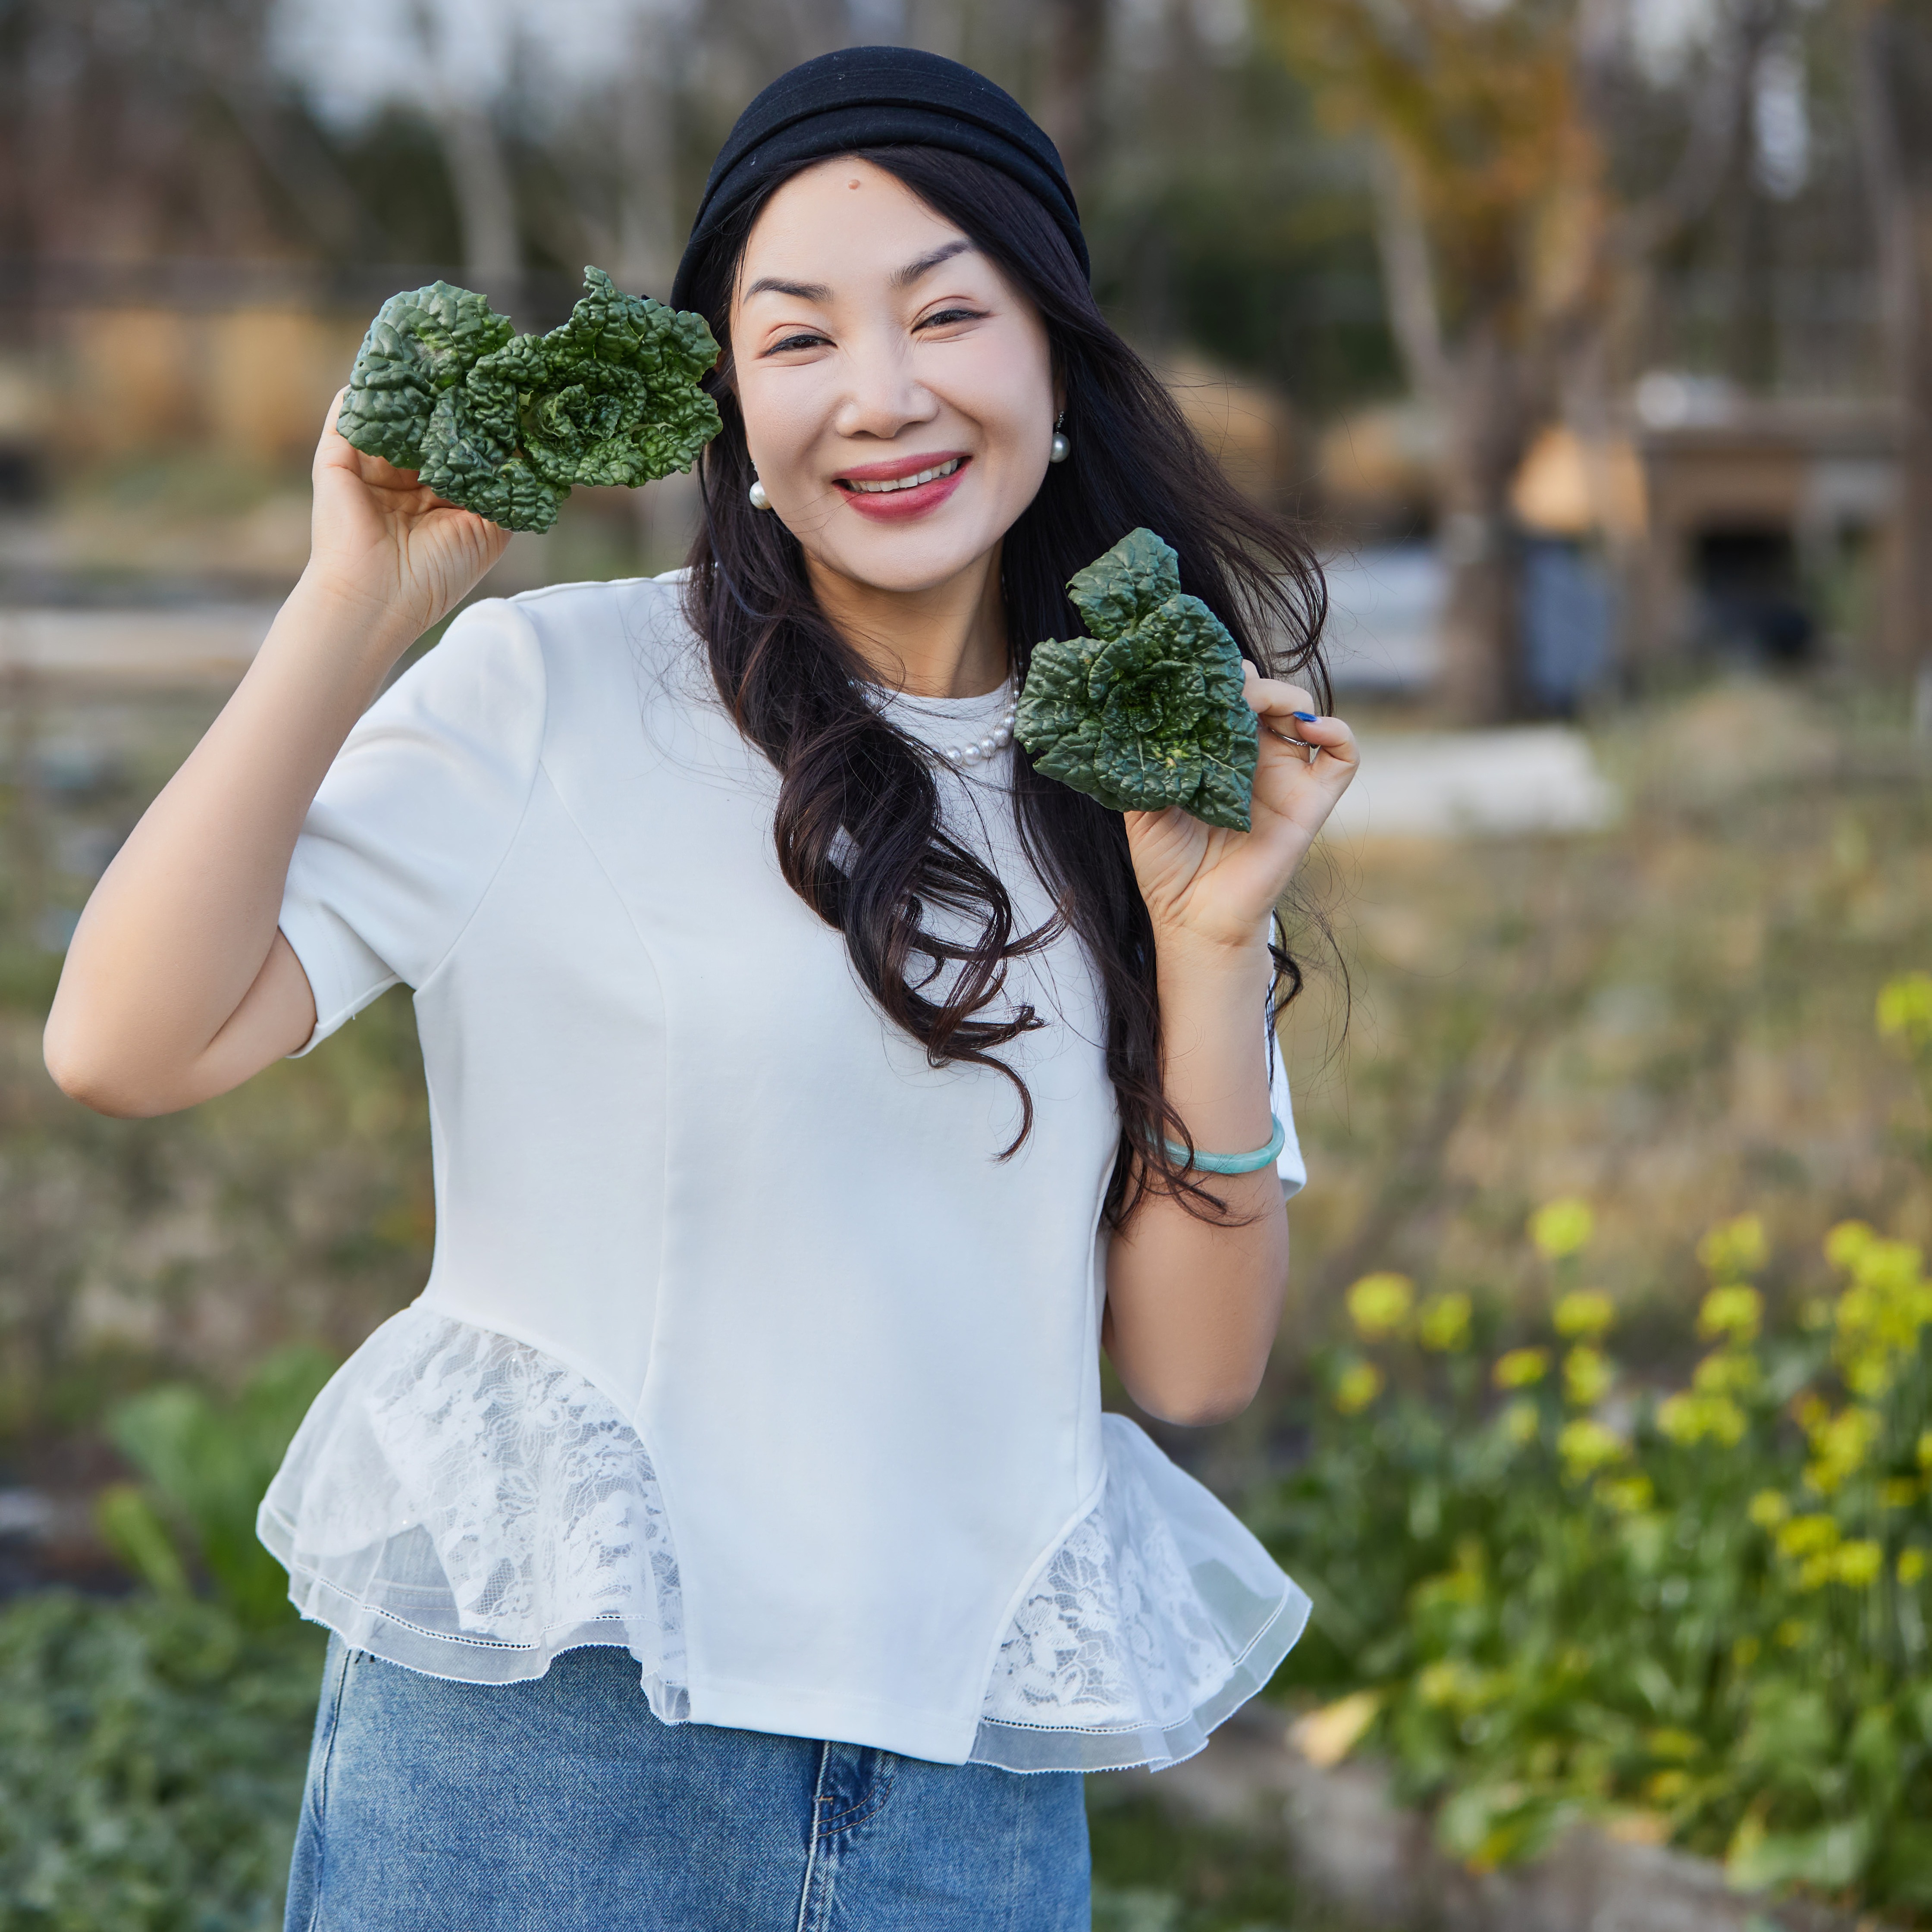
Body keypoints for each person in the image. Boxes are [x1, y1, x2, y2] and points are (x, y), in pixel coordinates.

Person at [43, 45, 1358, 1932]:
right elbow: (122, 1039)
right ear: (727, 398)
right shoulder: (550, 694)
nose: (885, 395)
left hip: (958, 1791)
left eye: (949, 314)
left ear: (1055, 361)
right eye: (800, 336)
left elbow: (1191, 1363)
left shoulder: (1137, 770)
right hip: (549, 1763)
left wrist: (1208, 941)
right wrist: (353, 601)